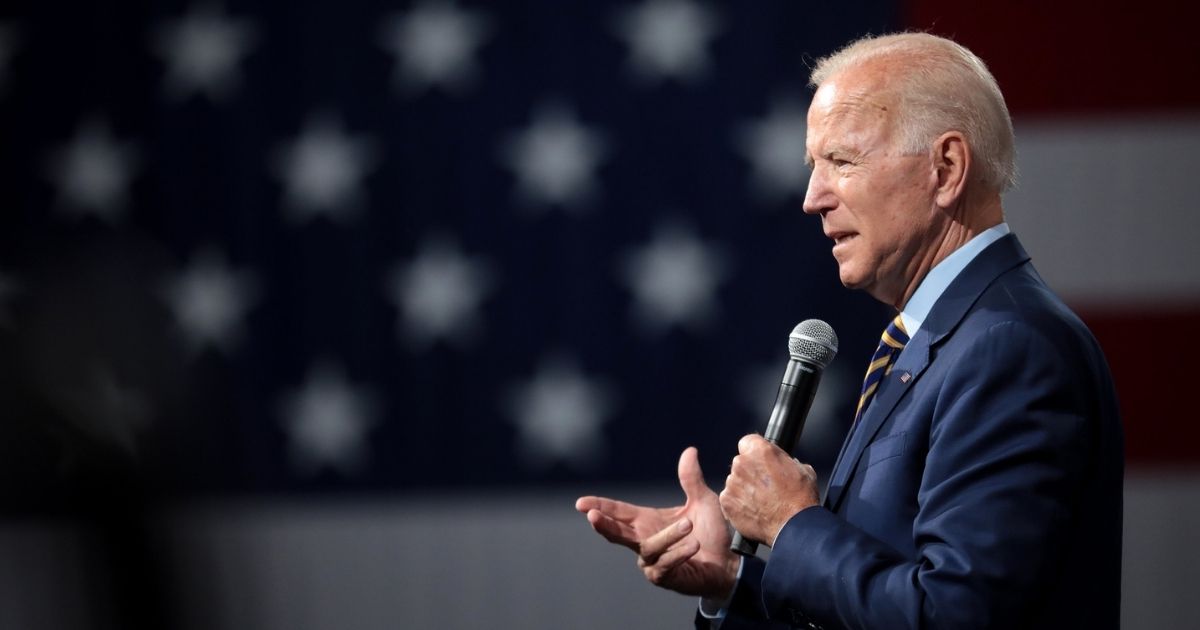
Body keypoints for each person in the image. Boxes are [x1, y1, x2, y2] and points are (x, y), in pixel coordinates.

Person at [575, 32, 1123, 629]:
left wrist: (791, 526)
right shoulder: (943, 338)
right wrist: (735, 581)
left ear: (946, 168)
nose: (812, 198)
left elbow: (955, 617)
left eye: (842, 161)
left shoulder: (1008, 346)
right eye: (814, 167)